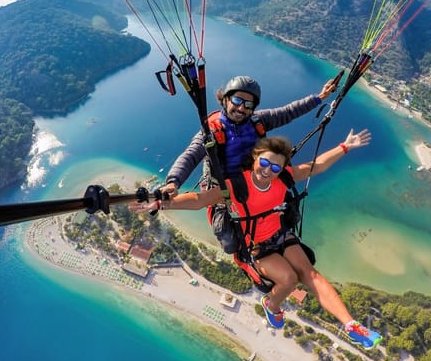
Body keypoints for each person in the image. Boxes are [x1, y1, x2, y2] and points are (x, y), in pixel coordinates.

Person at [149, 130, 382, 349]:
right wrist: (162, 203)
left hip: (281, 234)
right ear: (255, 158)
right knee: (289, 279)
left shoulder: (283, 179)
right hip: (256, 247)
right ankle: (272, 306)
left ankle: (351, 325)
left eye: (275, 167)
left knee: (310, 273)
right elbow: (199, 199)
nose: (268, 170)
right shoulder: (236, 186)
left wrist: (345, 146)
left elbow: (317, 166)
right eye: (264, 163)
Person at [162, 74, 339, 196]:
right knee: (231, 241)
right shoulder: (212, 130)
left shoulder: (257, 120)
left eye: (248, 105)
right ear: (225, 99)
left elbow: (289, 111)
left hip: (258, 180)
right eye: (237, 100)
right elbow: (191, 155)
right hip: (227, 188)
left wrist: (320, 97)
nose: (241, 108)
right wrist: (173, 182)